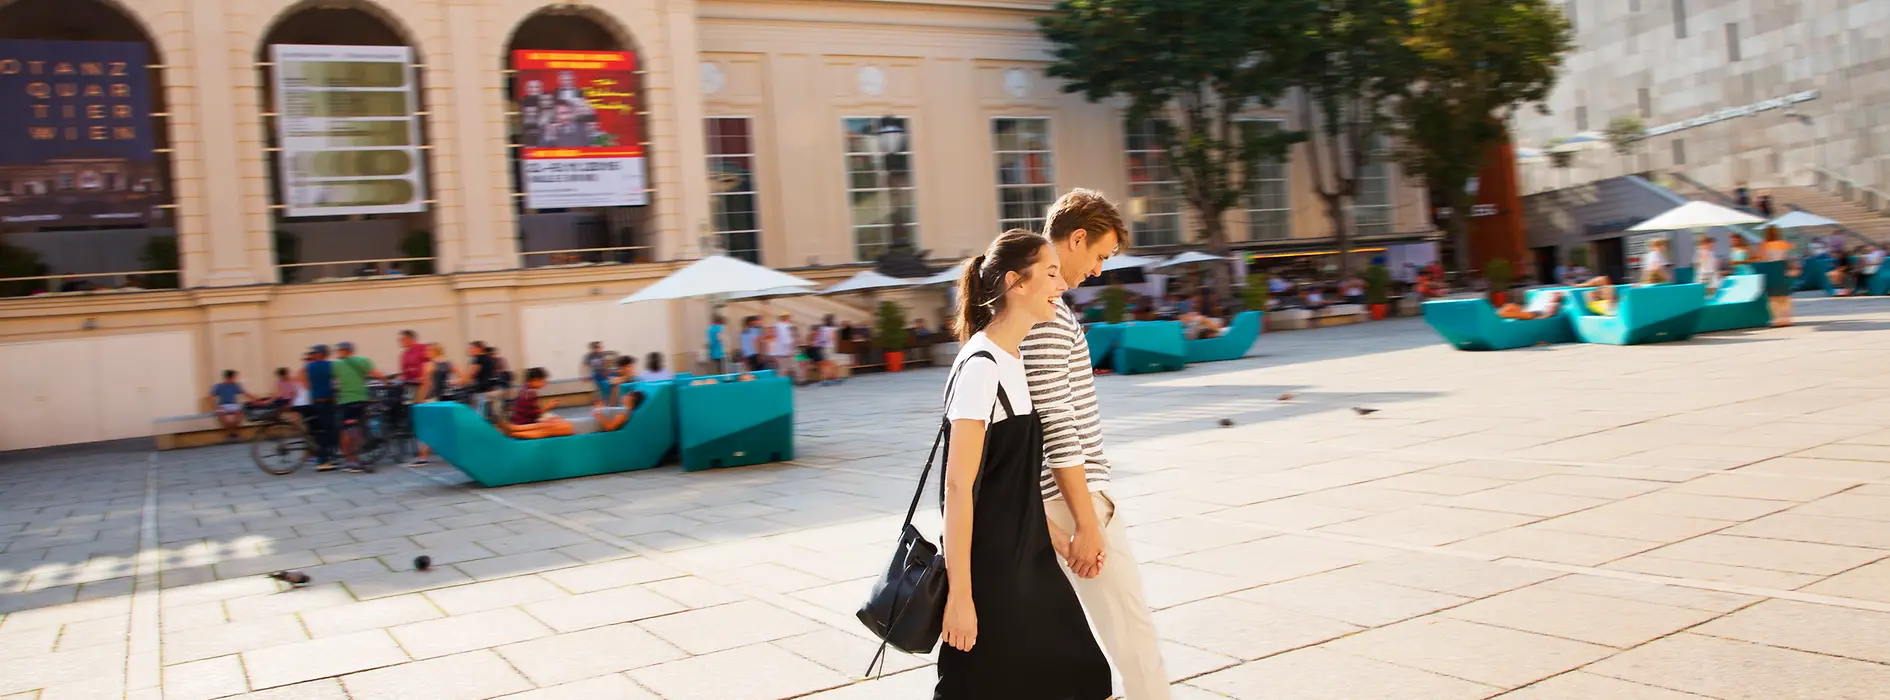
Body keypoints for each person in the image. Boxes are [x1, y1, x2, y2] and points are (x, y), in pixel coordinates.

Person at [936, 229, 1108, 699]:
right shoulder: (981, 367)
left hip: (1027, 559)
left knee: (1085, 676)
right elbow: (958, 489)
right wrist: (961, 597)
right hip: (994, 573)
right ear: (1016, 282)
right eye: (1051, 274)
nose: (1063, 284)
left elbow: (1012, 485)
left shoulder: (1013, 360)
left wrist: (1063, 542)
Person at [1023, 189, 1171, 699]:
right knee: (1133, 636)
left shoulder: (1035, 306)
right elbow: (1055, 422)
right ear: (1076, 238)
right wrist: (1087, 521)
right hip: (1070, 496)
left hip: (1053, 500)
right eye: (1100, 256)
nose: (1101, 270)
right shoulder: (1045, 316)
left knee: (1069, 648)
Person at [331, 342, 382, 473]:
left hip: (345, 401)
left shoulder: (336, 365)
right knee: (357, 429)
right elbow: (377, 374)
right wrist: (388, 381)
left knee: (347, 430)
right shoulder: (363, 360)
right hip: (361, 400)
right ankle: (356, 458)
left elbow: (331, 380)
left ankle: (352, 460)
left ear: (343, 351)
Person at [497, 368, 574, 439]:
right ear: (535, 380)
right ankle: (515, 431)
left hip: (520, 421)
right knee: (565, 428)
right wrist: (549, 406)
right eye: (543, 381)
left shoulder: (525, 389)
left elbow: (533, 413)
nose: (544, 384)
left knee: (559, 423)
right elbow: (536, 415)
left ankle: (514, 428)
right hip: (525, 422)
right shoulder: (530, 393)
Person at [410, 343, 454, 466]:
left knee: (428, 427)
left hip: (433, 399)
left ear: (434, 351)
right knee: (445, 426)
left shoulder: (429, 365)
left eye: (427, 351)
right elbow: (464, 378)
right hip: (447, 398)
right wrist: (452, 383)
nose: (425, 353)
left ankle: (422, 457)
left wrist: (418, 399)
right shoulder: (449, 363)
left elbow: (426, 384)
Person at [300, 345, 339, 469]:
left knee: (319, 430)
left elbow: (302, 377)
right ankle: (324, 460)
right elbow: (336, 379)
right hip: (328, 401)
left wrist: (308, 385)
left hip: (315, 401)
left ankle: (322, 457)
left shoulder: (309, 366)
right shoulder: (330, 365)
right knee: (328, 430)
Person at [568, 389, 646, 435]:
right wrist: (600, 408)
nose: (624, 396)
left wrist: (599, 414)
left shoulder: (625, 412)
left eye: (628, 395)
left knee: (559, 425)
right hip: (587, 422)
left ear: (632, 399)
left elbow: (610, 427)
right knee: (558, 422)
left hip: (588, 426)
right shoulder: (622, 408)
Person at [1761, 226, 1795, 327]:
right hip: (1782, 268)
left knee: (1773, 297)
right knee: (1784, 296)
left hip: (1771, 269)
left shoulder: (1764, 245)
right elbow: (1788, 256)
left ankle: (1777, 319)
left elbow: (1763, 258)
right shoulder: (1783, 244)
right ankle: (1787, 319)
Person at [208, 370, 255, 442]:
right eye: (234, 377)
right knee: (222, 416)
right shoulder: (218, 386)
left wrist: (256, 399)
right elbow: (210, 397)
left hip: (233, 404)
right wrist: (214, 407)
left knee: (239, 415)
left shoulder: (236, 385)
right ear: (230, 377)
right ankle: (232, 434)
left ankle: (233, 433)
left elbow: (245, 394)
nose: (235, 379)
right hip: (222, 404)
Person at [1496, 290, 1567, 320]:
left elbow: (1548, 314)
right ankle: (1499, 314)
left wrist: (1540, 318)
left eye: (1555, 295)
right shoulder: (1550, 303)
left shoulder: (1554, 305)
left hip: (1532, 314)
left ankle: (1499, 314)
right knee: (1511, 306)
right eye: (1553, 295)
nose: (1553, 296)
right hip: (1531, 312)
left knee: (1507, 310)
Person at [769, 313, 799, 381]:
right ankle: (782, 383)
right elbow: (786, 339)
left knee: (785, 368)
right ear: (786, 318)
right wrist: (789, 349)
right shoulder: (784, 326)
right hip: (785, 351)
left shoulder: (777, 325)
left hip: (780, 351)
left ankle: (784, 382)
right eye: (789, 317)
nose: (790, 319)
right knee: (785, 368)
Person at [813, 315, 840, 386]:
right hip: (829, 347)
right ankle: (830, 378)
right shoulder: (830, 328)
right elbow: (831, 338)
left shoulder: (823, 328)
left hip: (825, 347)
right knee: (829, 364)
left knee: (827, 364)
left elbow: (821, 339)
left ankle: (828, 379)